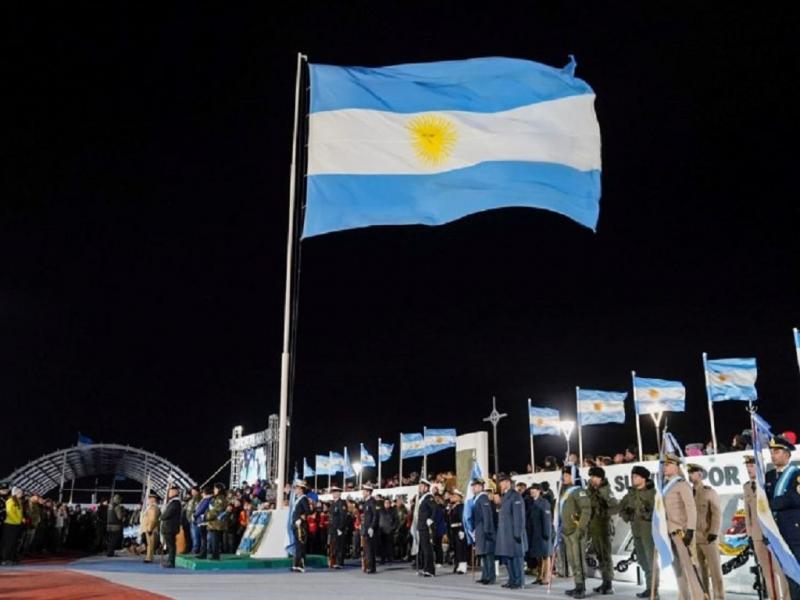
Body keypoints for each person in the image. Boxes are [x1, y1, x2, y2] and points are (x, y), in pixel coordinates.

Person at [742, 455, 790, 599]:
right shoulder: (747, 487)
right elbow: (748, 513)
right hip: (757, 535)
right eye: (747, 466)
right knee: (767, 573)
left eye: (752, 466)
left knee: (781, 571)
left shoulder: (768, 484)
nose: (749, 469)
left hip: (773, 534)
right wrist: (750, 535)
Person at [662, 453, 705, 599]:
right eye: (664, 465)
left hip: (682, 532)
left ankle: (698, 596)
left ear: (676, 467)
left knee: (690, 568)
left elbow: (691, 508)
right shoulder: (664, 486)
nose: (665, 468)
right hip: (669, 531)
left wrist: (690, 530)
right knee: (677, 569)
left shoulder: (681, 484)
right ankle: (683, 597)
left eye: (668, 465)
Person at [765, 435, 800, 599]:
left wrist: (771, 504)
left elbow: (795, 498)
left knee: (797, 572)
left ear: (787, 454)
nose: (773, 455)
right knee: (785, 576)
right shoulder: (769, 476)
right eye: (771, 451)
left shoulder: (796, 474)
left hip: (794, 532)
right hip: (776, 532)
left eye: (777, 451)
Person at [618, 465, 657, 599]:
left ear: (643, 478)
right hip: (636, 530)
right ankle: (649, 587)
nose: (633, 479)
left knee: (651, 560)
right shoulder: (631, 494)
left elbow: (661, 512)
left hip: (649, 530)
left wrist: (650, 514)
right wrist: (626, 515)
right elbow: (620, 507)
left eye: (635, 476)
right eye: (632, 476)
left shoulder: (653, 493)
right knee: (641, 559)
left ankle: (654, 590)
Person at [687, 463, 724, 599]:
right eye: (689, 473)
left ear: (700, 475)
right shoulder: (688, 493)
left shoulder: (709, 492)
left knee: (715, 572)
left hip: (708, 537)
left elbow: (717, 513)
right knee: (700, 571)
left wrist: (713, 532)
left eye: (693, 473)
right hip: (694, 539)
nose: (690, 476)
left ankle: (719, 597)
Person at [587, 465, 619, 594]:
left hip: (603, 527)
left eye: (594, 477)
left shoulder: (605, 490)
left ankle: (609, 584)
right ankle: (604, 582)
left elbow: (615, 506)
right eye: (591, 477)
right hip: (594, 527)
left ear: (600, 478)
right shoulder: (591, 490)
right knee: (600, 556)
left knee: (605, 556)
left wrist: (605, 513)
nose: (592, 479)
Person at [561, 466, 591, 598]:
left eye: (567, 475)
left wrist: (581, 528)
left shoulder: (578, 491)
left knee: (578, 559)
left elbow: (586, 510)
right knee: (572, 560)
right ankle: (577, 584)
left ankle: (582, 588)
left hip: (575, 531)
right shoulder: (565, 491)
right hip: (567, 531)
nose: (564, 477)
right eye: (564, 475)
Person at [495, 473, 526, 589]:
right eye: (500, 482)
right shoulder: (505, 496)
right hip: (505, 533)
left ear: (508, 482)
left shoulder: (515, 495)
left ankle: (519, 581)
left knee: (516, 558)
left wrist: (518, 532)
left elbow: (519, 516)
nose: (500, 484)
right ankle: (512, 579)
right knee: (508, 558)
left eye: (502, 482)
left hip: (513, 532)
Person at [470, 477, 496, 585]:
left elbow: (487, 516)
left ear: (480, 487)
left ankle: (490, 577)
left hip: (485, 530)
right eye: (473, 486)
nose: (473, 488)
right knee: (484, 555)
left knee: (488, 555)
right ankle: (485, 575)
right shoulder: (477, 499)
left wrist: (487, 530)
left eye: (475, 486)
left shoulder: (483, 498)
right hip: (480, 529)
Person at [527, 483, 552, 585]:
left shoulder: (544, 502)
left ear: (539, 491)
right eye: (531, 489)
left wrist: (546, 533)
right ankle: (539, 576)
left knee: (546, 556)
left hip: (543, 533)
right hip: (535, 534)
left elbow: (546, 519)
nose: (532, 491)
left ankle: (546, 577)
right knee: (539, 556)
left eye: (534, 489)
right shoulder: (531, 502)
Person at [414, 478, 436, 577]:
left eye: (422, 486)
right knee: (423, 548)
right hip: (421, 526)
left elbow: (435, 509)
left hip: (426, 526)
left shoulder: (429, 497)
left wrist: (431, 519)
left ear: (426, 487)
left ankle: (430, 570)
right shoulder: (422, 498)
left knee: (427, 548)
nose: (420, 488)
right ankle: (424, 567)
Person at [291, 480, 311, 573]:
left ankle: (301, 565)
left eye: (297, 488)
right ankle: (296, 563)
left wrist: (301, 519)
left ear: (301, 489)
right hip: (295, 523)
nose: (296, 490)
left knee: (300, 544)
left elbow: (308, 511)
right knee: (297, 544)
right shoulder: (297, 499)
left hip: (300, 525)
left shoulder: (303, 498)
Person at [204, 482, 227, 561]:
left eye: (215, 488)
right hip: (213, 523)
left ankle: (215, 555)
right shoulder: (215, 498)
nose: (214, 490)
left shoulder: (220, 498)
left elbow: (217, 510)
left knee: (215, 540)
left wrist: (207, 516)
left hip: (216, 523)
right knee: (212, 540)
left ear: (219, 489)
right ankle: (214, 554)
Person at [160, 485, 182, 568]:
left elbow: (167, 514)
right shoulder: (172, 502)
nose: (169, 493)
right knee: (170, 545)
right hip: (168, 527)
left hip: (170, 527)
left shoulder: (175, 503)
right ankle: (170, 560)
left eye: (171, 491)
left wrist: (161, 517)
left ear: (176, 492)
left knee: (171, 545)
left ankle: (171, 562)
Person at [1, 487, 24, 565]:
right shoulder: (11, 501)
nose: (21, 494)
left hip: (16, 524)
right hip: (10, 524)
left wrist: (21, 519)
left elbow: (19, 513)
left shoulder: (18, 501)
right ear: (15, 493)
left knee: (14, 542)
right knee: (8, 543)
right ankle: (5, 559)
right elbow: (10, 512)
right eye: (20, 492)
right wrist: (18, 520)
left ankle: (11, 558)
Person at [448, 489, 468, 574]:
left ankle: (462, 566)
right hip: (453, 530)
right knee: (456, 548)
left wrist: (462, 530)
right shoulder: (453, 507)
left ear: (460, 498)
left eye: (455, 496)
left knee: (461, 548)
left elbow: (463, 519)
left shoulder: (461, 507)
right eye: (452, 495)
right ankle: (457, 565)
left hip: (459, 529)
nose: (452, 497)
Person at [328, 486, 346, 569]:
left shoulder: (341, 503)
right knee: (334, 545)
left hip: (338, 528)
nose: (333, 494)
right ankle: (334, 561)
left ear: (339, 493)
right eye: (333, 492)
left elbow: (343, 517)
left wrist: (340, 528)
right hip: (332, 528)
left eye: (335, 492)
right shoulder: (333, 503)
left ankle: (340, 562)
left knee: (339, 545)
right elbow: (331, 517)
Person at [361, 483, 377, 574]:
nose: (363, 492)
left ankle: (371, 567)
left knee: (370, 549)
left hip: (370, 529)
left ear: (368, 492)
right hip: (365, 528)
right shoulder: (366, 502)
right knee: (367, 548)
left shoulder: (372, 501)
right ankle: (368, 566)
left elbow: (375, 515)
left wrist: (372, 527)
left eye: (364, 491)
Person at [140, 493, 161, 563]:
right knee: (149, 544)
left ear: (153, 499)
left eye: (149, 498)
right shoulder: (151, 507)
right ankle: (148, 556)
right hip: (149, 528)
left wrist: (150, 528)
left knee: (150, 544)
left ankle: (149, 557)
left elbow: (153, 519)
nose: (148, 500)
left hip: (151, 528)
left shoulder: (153, 508)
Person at [377, 498, 397, 565]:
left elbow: (396, 521)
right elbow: (377, 519)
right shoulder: (380, 510)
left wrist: (393, 528)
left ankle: (390, 559)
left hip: (389, 530)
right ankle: (382, 559)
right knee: (382, 545)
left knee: (389, 546)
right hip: (382, 530)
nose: (387, 504)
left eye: (388, 503)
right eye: (386, 503)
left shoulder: (393, 510)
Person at [184, 486, 202, 555]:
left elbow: (197, 509)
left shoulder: (198, 499)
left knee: (196, 535)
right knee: (193, 535)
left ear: (197, 491)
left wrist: (193, 516)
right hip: (191, 520)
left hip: (195, 520)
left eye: (193, 491)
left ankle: (195, 549)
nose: (192, 492)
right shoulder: (192, 499)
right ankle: (194, 549)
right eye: (192, 491)